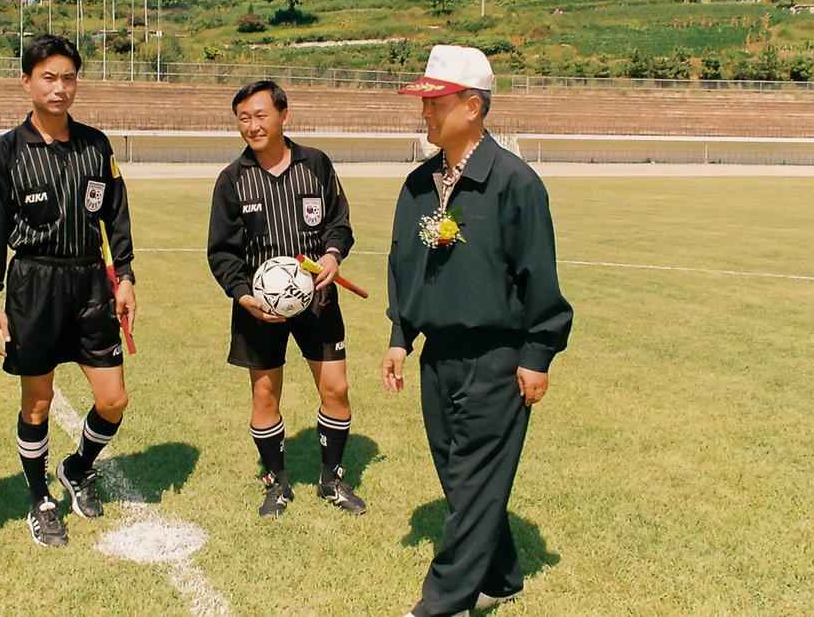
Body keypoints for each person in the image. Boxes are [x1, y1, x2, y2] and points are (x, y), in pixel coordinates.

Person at [382, 45, 573, 617]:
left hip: (498, 357)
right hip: (438, 357)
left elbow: (537, 272)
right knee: (459, 476)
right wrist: (399, 334)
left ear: (472, 105)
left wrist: (537, 353)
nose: (426, 113)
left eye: (435, 102)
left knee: (474, 478)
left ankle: (442, 603)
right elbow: (404, 265)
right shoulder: (419, 184)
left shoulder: (515, 183)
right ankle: (503, 575)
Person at [0, 34, 136, 547]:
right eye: (48, 77)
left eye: (68, 77)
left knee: (113, 399)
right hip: (34, 284)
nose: (60, 87)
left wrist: (125, 276)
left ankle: (77, 466)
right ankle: (38, 497)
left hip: (90, 283)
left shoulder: (96, 145)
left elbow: (116, 215)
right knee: (38, 401)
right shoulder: (5, 152)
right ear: (27, 81)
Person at [207, 79, 366, 517]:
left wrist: (333, 255)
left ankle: (331, 479)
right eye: (244, 118)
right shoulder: (232, 180)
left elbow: (340, 223)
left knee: (336, 387)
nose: (252, 125)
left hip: (317, 300)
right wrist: (242, 296)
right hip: (260, 310)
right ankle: (276, 482)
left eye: (260, 115)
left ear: (282, 114)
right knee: (265, 396)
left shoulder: (316, 164)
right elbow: (221, 252)